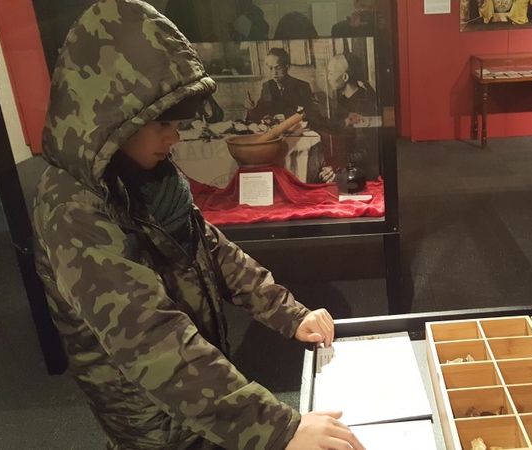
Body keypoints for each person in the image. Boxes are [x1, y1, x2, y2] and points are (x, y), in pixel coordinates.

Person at [32, 1, 366, 449]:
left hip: (198, 395)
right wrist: (278, 429)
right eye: (163, 124)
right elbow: (151, 339)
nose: (174, 136)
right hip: (153, 415)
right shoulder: (71, 208)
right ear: (112, 120)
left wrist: (288, 312)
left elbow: (211, 249)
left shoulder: (143, 171)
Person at [324, 52, 380, 179]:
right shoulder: (343, 100)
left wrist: (338, 166)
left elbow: (365, 151)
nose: (328, 77)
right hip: (346, 163)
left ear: (345, 77)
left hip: (363, 170)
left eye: (331, 73)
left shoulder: (364, 104)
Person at [245, 48, 316, 123]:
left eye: (278, 68)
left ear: (287, 67)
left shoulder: (302, 86)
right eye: (270, 68)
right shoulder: (267, 86)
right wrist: (251, 109)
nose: (274, 73)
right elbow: (260, 114)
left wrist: (288, 117)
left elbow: (310, 113)